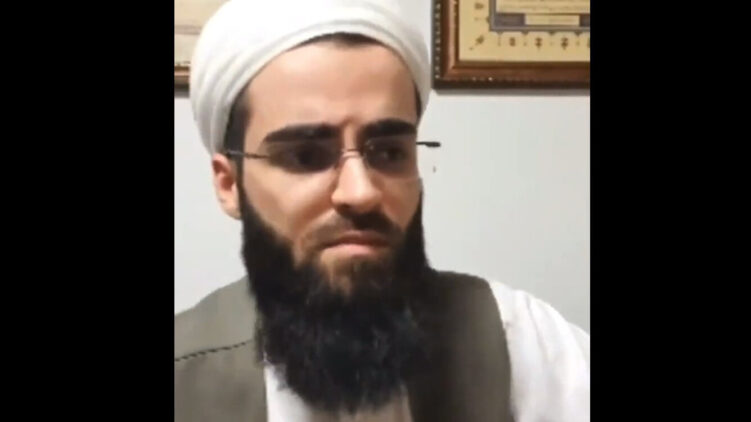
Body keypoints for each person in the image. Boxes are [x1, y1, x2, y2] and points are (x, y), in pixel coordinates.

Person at [174, 1, 590, 421]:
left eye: (389, 153)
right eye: (306, 156)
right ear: (230, 184)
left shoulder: (521, 344)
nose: (361, 193)